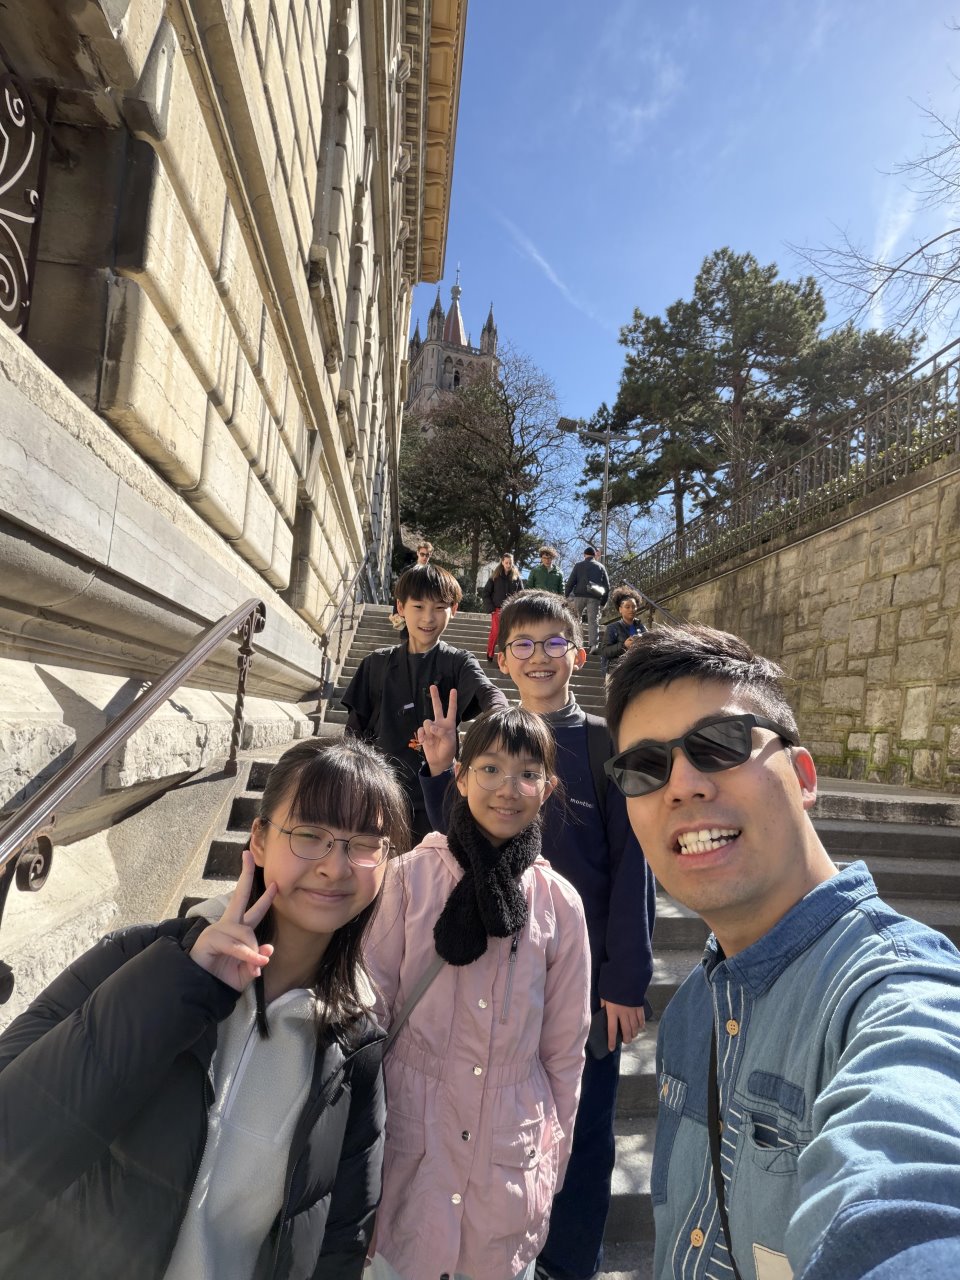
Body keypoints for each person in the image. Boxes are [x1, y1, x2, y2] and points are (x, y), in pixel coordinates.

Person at [604, 623, 960, 1280]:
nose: (680, 785)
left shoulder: (895, 996)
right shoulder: (690, 1012)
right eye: (645, 768)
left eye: (718, 743)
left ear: (802, 775)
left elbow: (908, 1184)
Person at [0, 737, 411, 1280]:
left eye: (365, 844)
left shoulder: (356, 1045)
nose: (335, 867)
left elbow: (340, 1243)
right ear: (258, 839)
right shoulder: (135, 959)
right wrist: (180, 985)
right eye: (310, 835)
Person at [418, 590, 656, 1280]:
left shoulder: (604, 743)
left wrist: (626, 980)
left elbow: (634, 863)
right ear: (501, 658)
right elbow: (457, 840)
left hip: (584, 983)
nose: (539, 656)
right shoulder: (487, 737)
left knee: (583, 1131)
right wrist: (441, 770)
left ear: (577, 654)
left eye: (554, 642)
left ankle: (568, 1262)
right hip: (498, 970)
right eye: (523, 643)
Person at [365, 706, 591, 1280]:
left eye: (527, 773)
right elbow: (370, 1012)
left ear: (548, 787)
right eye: (489, 769)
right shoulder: (410, 878)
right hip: (411, 1148)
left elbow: (565, 1050)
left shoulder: (560, 904)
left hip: (507, 1163)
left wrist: (552, 1162)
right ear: (460, 778)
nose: (507, 789)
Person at [342, 562, 506, 844]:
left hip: (436, 798)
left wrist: (504, 714)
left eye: (440, 607)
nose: (428, 618)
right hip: (379, 797)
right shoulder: (375, 664)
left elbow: (487, 692)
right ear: (401, 607)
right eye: (418, 606)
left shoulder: (458, 662)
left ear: (454, 610)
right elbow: (353, 734)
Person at [564, 547, 609, 654]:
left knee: (575, 619)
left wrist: (566, 595)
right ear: (594, 555)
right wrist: (603, 602)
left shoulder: (578, 565)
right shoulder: (601, 567)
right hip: (594, 596)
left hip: (579, 596)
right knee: (593, 621)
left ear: (584, 555)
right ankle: (593, 645)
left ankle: (575, 642)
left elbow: (571, 582)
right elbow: (607, 586)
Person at [482, 551, 523, 660]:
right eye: (506, 563)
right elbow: (486, 593)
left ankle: (504, 657)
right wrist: (491, 608)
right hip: (497, 609)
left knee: (508, 634)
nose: (508, 565)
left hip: (511, 610)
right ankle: (490, 653)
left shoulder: (517, 578)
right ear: (502, 562)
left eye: (510, 563)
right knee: (496, 632)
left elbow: (521, 595)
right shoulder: (495, 576)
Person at [600, 586, 647, 674]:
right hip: (616, 672)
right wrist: (624, 645)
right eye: (627, 607)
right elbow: (605, 651)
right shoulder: (612, 628)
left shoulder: (641, 627)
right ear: (620, 609)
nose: (631, 609)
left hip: (636, 671)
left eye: (634, 606)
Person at [390, 541, 433, 624]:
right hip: (408, 609)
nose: (425, 557)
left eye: (427, 555)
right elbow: (399, 591)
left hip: (424, 611)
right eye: (422, 554)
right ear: (417, 553)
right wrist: (396, 612)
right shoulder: (407, 570)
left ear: (430, 555)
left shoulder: (432, 573)